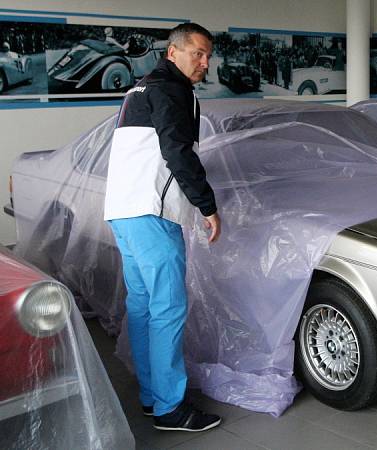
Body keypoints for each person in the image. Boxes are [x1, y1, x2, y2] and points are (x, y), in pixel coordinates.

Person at [103, 22, 222, 433]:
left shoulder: (138, 87)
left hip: (122, 211)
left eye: (208, 56)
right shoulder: (174, 90)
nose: (205, 63)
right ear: (173, 52)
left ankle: (153, 398)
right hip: (151, 215)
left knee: (142, 307)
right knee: (167, 310)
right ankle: (171, 408)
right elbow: (177, 150)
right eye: (198, 53)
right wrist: (207, 205)